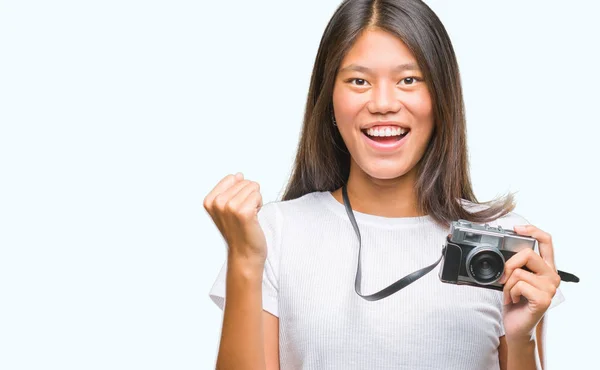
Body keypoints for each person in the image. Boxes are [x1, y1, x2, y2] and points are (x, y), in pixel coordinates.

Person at [204, 0, 564, 369]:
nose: (383, 103)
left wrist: (523, 338)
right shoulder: (274, 234)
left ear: (441, 96)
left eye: (409, 80)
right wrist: (245, 260)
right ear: (329, 97)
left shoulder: (501, 241)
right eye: (359, 81)